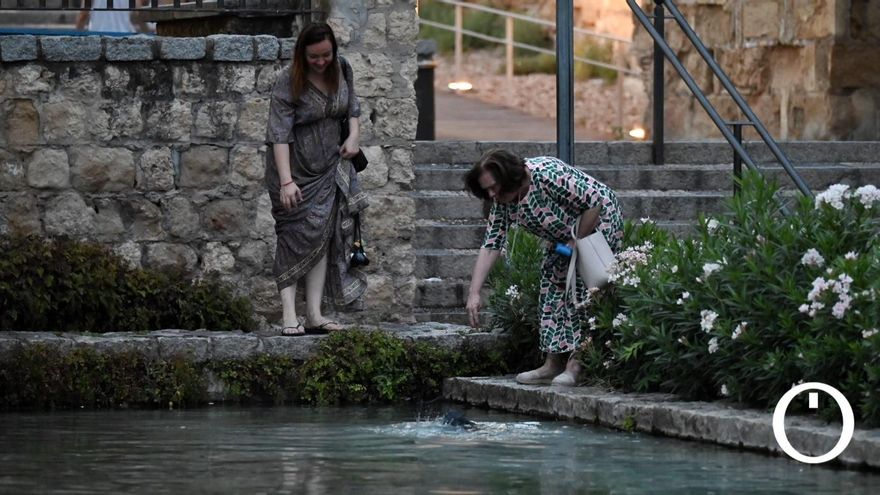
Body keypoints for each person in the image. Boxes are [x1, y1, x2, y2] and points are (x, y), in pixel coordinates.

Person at [464, 149, 624, 386]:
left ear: (510, 177)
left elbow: (595, 202)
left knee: (585, 290)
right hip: (564, 235)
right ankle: (552, 364)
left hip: (597, 223)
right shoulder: (501, 201)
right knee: (551, 285)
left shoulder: (547, 175)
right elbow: (491, 244)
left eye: (494, 186)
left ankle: (576, 365)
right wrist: (474, 293)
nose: (491, 193)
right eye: (486, 190)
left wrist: (575, 241)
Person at [264, 22, 368, 336]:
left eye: (326, 55)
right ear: (302, 55)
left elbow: (352, 108)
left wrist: (353, 137)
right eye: (314, 57)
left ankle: (315, 314)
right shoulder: (288, 81)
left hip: (328, 168)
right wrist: (286, 182)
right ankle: (288, 316)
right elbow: (278, 136)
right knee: (292, 237)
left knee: (322, 237)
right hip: (293, 173)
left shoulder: (343, 68)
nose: (321, 62)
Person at [75, 0, 153, 34]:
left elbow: (83, 15)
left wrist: (76, 36)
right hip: (123, 35)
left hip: (97, 34)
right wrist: (148, 34)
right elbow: (139, 15)